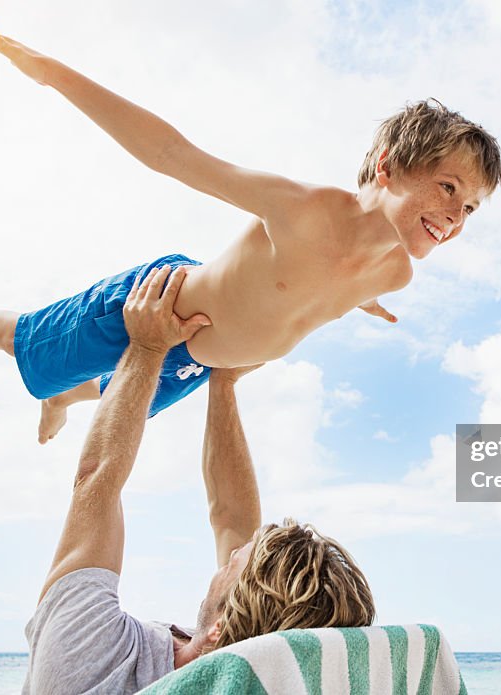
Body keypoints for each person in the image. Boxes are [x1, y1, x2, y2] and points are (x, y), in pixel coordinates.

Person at [0, 21, 501, 444]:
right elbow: (172, 154)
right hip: (157, 305)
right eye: (448, 188)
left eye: (471, 209)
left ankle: (62, 402)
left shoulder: (396, 271)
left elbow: (320, 287)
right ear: (388, 167)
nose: (455, 215)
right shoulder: (304, 208)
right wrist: (51, 72)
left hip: (198, 358)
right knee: (28, 349)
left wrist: (357, 294)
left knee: (119, 399)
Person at [24, 265, 375, 694]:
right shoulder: (244, 662)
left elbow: (97, 479)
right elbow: (231, 517)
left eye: (234, 561)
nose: (234, 550)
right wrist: (222, 380)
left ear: (220, 629)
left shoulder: (90, 660)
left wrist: (148, 347)